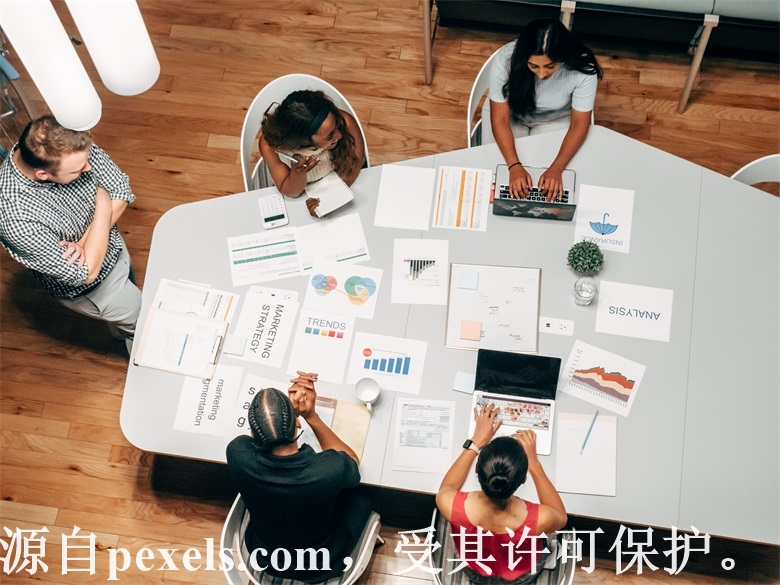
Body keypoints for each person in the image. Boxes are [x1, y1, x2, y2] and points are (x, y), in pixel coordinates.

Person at [0, 115, 140, 354]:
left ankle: (121, 331)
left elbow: (121, 189)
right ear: (43, 174)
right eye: (78, 170)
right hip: (97, 290)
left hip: (115, 248)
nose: (88, 168)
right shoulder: (14, 218)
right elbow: (86, 272)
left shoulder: (65, 144)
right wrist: (103, 203)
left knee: (129, 312)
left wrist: (85, 242)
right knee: (144, 324)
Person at [226, 371, 374, 583]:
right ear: (297, 424)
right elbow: (352, 460)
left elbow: (252, 442)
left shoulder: (237, 454)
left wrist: (279, 421)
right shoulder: (327, 471)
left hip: (266, 556)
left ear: (252, 434)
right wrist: (310, 416)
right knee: (361, 495)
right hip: (322, 562)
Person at [436, 403, 568, 584]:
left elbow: (447, 486)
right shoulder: (539, 519)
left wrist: (476, 442)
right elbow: (561, 516)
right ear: (524, 479)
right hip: (519, 572)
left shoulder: (449, 504)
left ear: (477, 471)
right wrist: (534, 463)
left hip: (475, 568)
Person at [488, 19, 602, 201]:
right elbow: (499, 119)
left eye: (550, 66)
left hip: (555, 119)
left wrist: (557, 168)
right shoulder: (506, 59)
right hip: (513, 116)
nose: (541, 74)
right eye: (533, 66)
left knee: (556, 178)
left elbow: (580, 123)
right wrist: (514, 165)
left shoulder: (583, 69)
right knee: (497, 172)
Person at [258, 89, 365, 215]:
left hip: (340, 181)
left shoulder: (345, 121)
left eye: (336, 125)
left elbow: (355, 163)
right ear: (303, 141)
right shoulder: (269, 146)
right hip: (300, 193)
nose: (340, 135)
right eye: (330, 136)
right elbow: (291, 192)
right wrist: (298, 173)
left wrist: (330, 199)